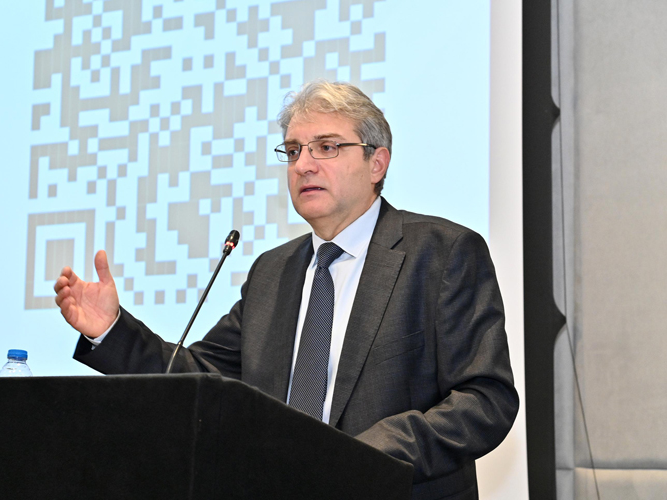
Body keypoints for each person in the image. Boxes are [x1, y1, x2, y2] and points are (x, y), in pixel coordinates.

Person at [54, 80, 518, 500]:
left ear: (377, 162)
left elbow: (485, 399)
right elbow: (197, 381)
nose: (304, 165)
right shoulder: (272, 272)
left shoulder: (441, 254)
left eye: (326, 147)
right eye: (294, 151)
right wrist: (111, 330)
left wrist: (366, 455)